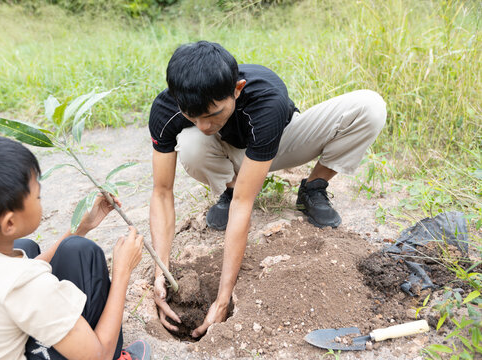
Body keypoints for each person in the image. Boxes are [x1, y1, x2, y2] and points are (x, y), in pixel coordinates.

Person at [148, 41, 387, 337]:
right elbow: (161, 192)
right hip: (227, 152)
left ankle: (313, 187)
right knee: (192, 143)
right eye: (192, 117)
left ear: (237, 89)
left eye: (213, 114)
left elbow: (244, 205)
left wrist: (223, 300)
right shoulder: (167, 108)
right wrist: (160, 271)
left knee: (371, 106)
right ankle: (230, 186)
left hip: (281, 140)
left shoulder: (266, 99)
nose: (204, 124)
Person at [0, 134, 151, 360]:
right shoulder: (26, 287)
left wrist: (79, 228)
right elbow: (98, 355)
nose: (40, 192)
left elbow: (7, 283)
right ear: (9, 222)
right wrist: (123, 271)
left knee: (25, 248)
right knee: (84, 253)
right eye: (37, 194)